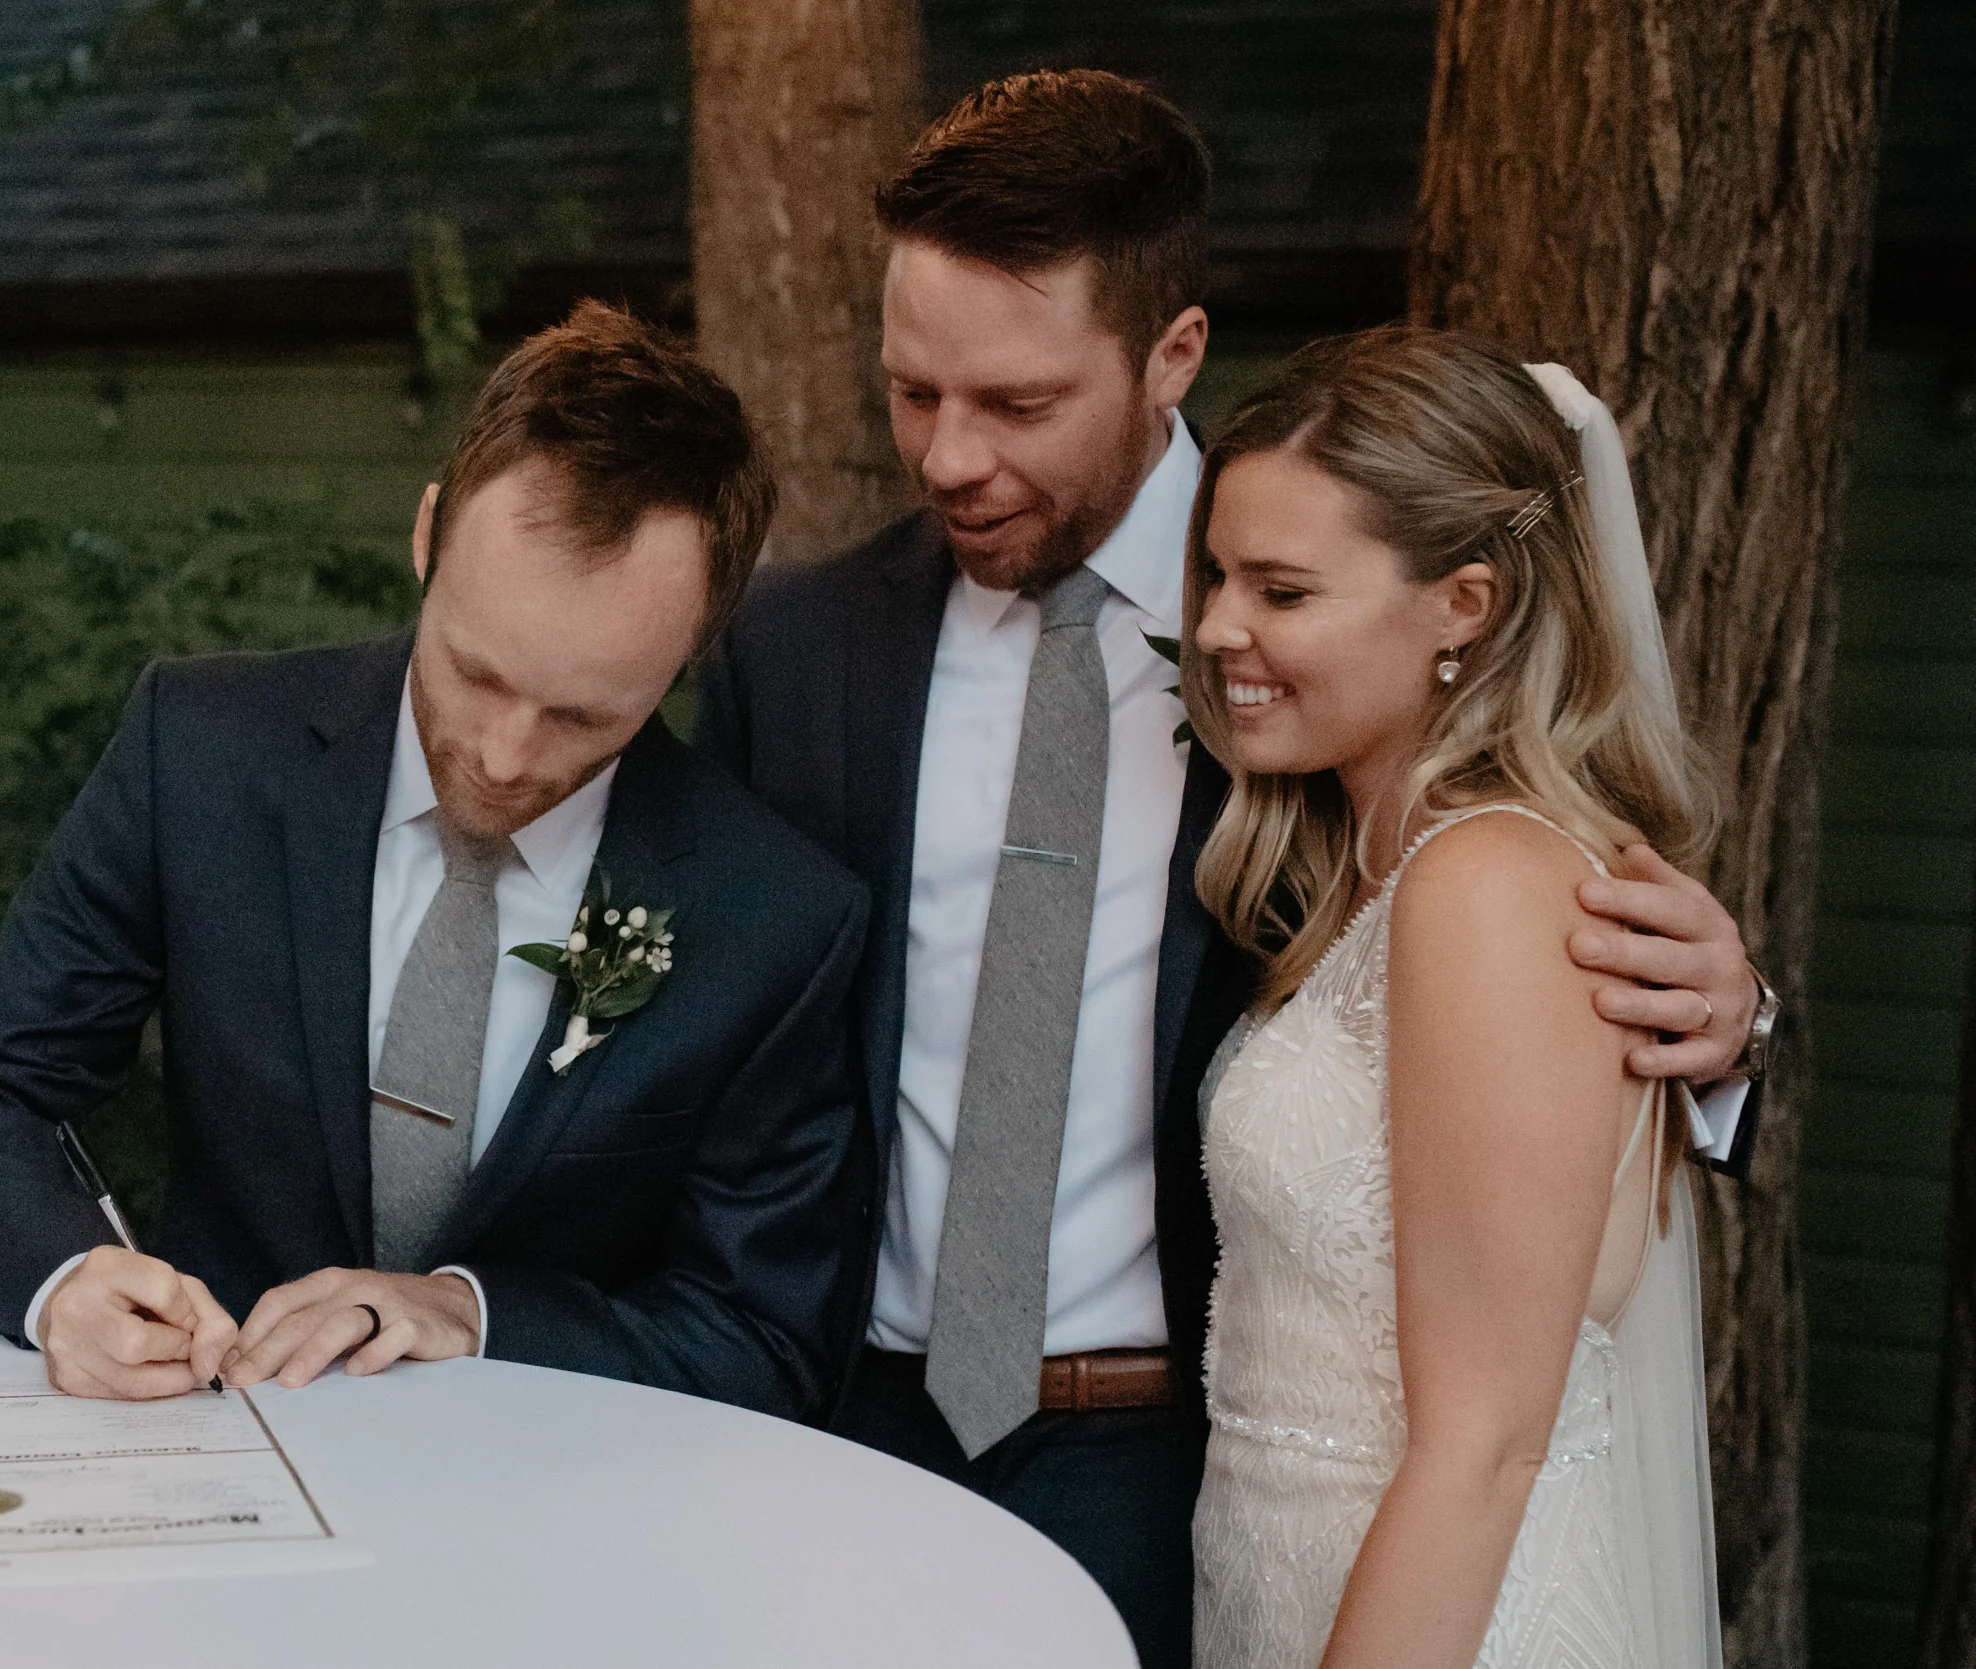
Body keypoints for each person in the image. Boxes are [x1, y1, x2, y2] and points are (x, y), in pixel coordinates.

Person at [697, 71, 1766, 1659]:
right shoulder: (794, 651)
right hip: (852, 1427)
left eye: (1018, 403)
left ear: (1170, 353)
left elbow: (1526, 974)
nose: (949, 453)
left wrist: (1734, 1030)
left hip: (1175, 1457)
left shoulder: (1340, 656)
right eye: (914, 390)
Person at [0, 301, 870, 1420]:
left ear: (694, 643)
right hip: (217, 1461)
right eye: (478, 673)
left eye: (582, 717)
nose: (505, 758)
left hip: (561, 1524)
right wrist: (64, 1282)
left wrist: (476, 1311)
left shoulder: (775, 917)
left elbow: (763, 1338)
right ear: (425, 535)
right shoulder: (201, 756)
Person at [1185, 325, 1724, 1668]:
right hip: (1296, 1573)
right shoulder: (1376, 870)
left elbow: (1486, 1441)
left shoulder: (1485, 883)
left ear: (1465, 606)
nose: (1215, 628)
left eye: (1282, 591)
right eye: (1214, 576)